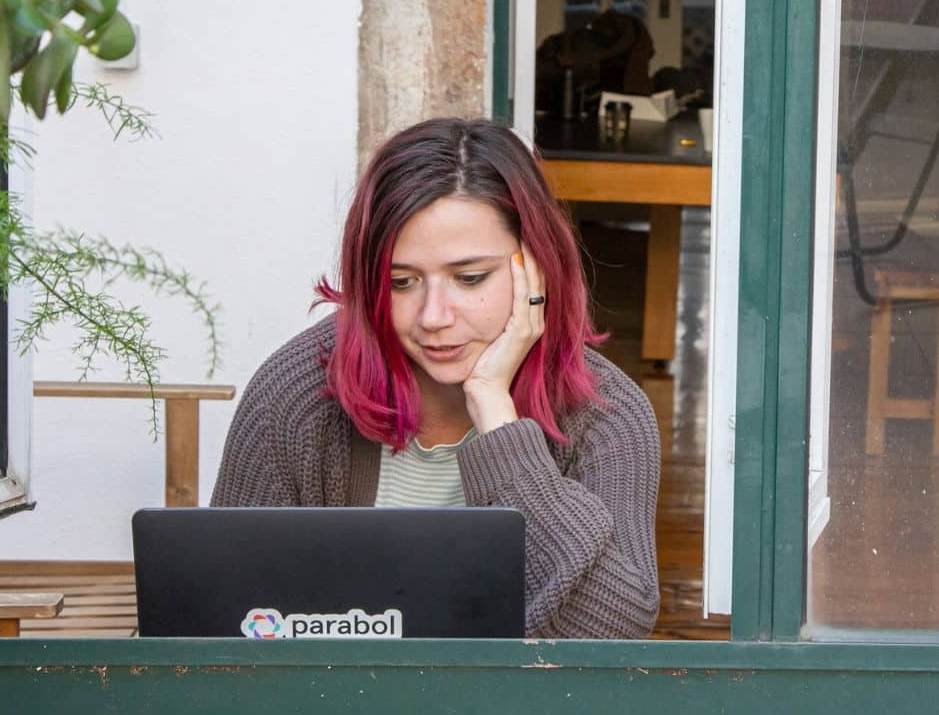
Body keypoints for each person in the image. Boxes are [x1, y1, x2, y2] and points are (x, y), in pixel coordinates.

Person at [211, 118, 660, 639]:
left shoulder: (605, 415)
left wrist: (499, 421)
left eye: (469, 278)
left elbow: (613, 637)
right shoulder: (296, 394)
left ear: (538, 268)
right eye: (401, 282)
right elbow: (226, 616)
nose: (433, 317)